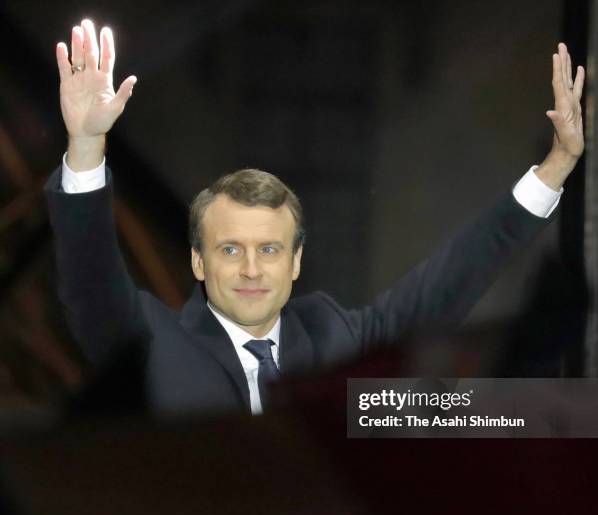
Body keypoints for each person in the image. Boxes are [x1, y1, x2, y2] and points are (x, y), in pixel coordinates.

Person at [46, 19, 585, 416]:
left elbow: (444, 288)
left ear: (296, 262)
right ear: (198, 261)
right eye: (230, 249)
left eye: (270, 250)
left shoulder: (332, 335)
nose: (252, 269)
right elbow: (90, 284)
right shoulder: (152, 344)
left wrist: (555, 167)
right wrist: (87, 145)